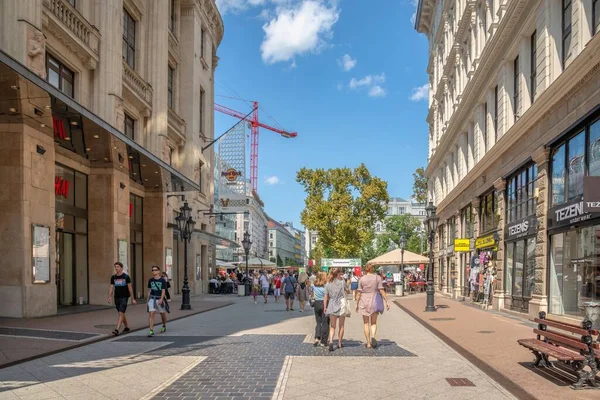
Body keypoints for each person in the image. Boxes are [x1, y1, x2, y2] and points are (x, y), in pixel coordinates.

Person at [356, 264, 390, 348]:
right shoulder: (377, 277)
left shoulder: (362, 279)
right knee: (373, 322)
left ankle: (368, 343)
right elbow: (381, 290)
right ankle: (373, 336)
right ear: (372, 269)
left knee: (366, 323)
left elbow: (359, 293)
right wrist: (387, 301)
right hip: (374, 300)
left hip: (364, 301)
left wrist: (356, 304)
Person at [324, 268, 350, 352]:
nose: (341, 275)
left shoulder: (328, 283)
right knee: (341, 325)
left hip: (332, 304)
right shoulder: (342, 282)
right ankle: (339, 343)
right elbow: (348, 291)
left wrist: (325, 306)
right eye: (340, 274)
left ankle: (331, 341)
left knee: (332, 326)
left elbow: (325, 296)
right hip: (341, 304)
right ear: (338, 274)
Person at [108, 262, 136, 336]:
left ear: (121, 268)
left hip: (124, 297)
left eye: (118, 267)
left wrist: (133, 298)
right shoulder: (113, 277)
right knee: (121, 313)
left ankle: (117, 329)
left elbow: (130, 288)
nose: (116, 268)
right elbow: (111, 287)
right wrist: (109, 297)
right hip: (116, 297)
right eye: (115, 267)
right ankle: (127, 327)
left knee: (121, 312)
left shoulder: (126, 277)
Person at [147, 266, 169, 337]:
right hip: (152, 299)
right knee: (151, 314)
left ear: (159, 271)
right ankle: (151, 330)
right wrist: (147, 300)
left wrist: (162, 299)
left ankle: (164, 325)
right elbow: (149, 290)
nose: (154, 271)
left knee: (162, 314)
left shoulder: (162, 280)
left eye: (155, 270)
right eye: (153, 270)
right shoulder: (150, 280)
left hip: (160, 298)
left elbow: (163, 290)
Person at [311, 272, 329, 347]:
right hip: (324, 303)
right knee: (325, 322)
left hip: (316, 304)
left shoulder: (314, 286)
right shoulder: (325, 286)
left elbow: (311, 294)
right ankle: (323, 341)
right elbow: (327, 296)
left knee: (318, 322)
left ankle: (317, 337)